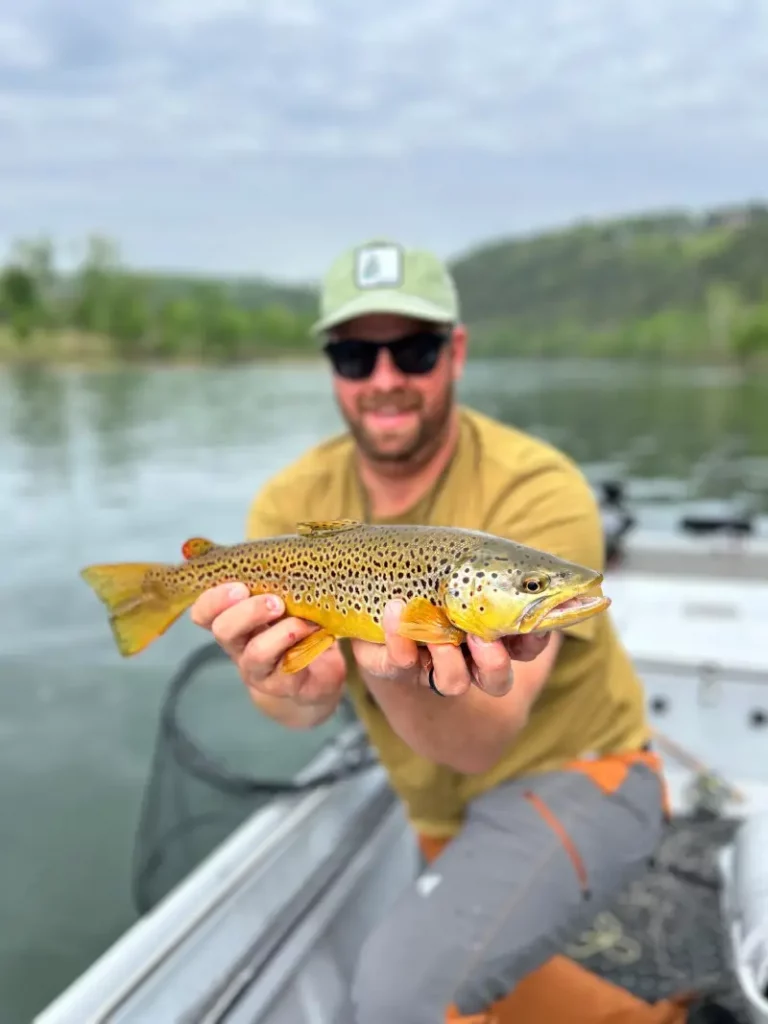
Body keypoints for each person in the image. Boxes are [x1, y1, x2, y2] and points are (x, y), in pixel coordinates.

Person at [190, 240, 675, 1024]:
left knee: (399, 993)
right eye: (355, 354)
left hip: (581, 772)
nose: (385, 379)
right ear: (332, 367)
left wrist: (385, 670)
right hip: (436, 807)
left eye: (412, 350)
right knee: (468, 967)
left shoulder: (537, 487)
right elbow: (295, 710)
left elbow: (482, 740)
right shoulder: (290, 502)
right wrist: (286, 687)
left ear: (455, 352)